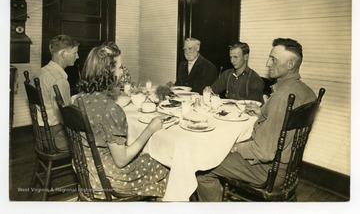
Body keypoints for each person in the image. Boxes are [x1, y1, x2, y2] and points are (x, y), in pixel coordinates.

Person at [196, 38, 317, 201]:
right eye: (269, 57)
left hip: (269, 171)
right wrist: (263, 112)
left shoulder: (281, 97)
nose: (267, 64)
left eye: (273, 59)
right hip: (288, 168)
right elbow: (283, 121)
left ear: (290, 65)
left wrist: (235, 148)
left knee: (202, 166)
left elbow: (264, 152)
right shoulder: (307, 92)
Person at [75, 41, 169, 198]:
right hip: (108, 178)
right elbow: (121, 160)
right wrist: (150, 129)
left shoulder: (79, 99)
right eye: (119, 67)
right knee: (165, 165)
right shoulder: (111, 109)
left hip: (85, 167)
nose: (122, 71)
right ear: (108, 71)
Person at [35, 34, 79, 150]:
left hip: (41, 133)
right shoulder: (59, 80)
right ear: (63, 54)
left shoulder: (41, 72)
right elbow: (64, 117)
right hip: (56, 137)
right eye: (75, 53)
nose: (77, 56)